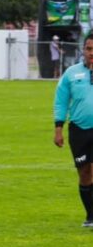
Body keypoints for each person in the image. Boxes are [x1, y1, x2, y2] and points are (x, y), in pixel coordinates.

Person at [53, 31, 93, 227]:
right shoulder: (71, 73)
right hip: (79, 130)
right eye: (89, 48)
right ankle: (91, 216)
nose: (92, 53)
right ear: (83, 50)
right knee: (84, 173)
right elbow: (61, 102)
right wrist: (58, 128)